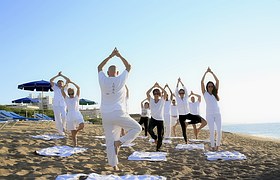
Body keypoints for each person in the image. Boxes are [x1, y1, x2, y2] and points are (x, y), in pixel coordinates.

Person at [98, 48, 142, 171]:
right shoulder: (120, 79)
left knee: (110, 141)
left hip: (105, 115)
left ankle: (114, 165)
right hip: (118, 113)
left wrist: (110, 56)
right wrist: (119, 55)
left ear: (108, 72)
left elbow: (99, 67)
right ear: (117, 73)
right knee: (137, 128)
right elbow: (128, 66)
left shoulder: (103, 79)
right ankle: (121, 142)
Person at [175, 78, 207, 143]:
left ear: (184, 93)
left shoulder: (186, 97)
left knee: (198, 119)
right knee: (183, 129)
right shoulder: (177, 98)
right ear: (179, 94)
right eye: (180, 93)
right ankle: (186, 141)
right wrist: (178, 83)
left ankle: (188, 123)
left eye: (182, 93)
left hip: (187, 114)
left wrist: (181, 82)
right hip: (181, 116)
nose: (181, 94)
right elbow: (176, 90)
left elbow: (186, 90)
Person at [201, 67, 221, 151]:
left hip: (217, 113)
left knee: (219, 130)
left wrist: (212, 72)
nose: (210, 87)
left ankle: (218, 145)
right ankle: (212, 146)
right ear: (207, 87)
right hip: (209, 114)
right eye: (209, 86)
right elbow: (201, 82)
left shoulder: (215, 93)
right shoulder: (205, 93)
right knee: (212, 131)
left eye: (211, 86)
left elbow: (217, 81)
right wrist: (206, 72)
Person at [61, 80, 84, 147]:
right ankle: (75, 145)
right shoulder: (66, 98)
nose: (71, 95)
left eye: (72, 93)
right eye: (70, 94)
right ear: (68, 94)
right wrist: (67, 83)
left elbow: (78, 88)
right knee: (72, 132)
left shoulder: (76, 97)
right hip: (70, 115)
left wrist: (71, 82)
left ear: (74, 93)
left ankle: (76, 131)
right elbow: (62, 90)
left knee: (82, 125)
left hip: (77, 113)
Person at [146, 82, 167, 151]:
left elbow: (165, 93)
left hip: (160, 120)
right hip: (153, 119)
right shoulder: (151, 100)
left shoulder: (162, 100)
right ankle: (155, 138)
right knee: (149, 130)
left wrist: (159, 86)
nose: (156, 95)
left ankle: (157, 148)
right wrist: (153, 86)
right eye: (155, 93)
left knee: (160, 136)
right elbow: (147, 93)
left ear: (159, 94)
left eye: (157, 93)